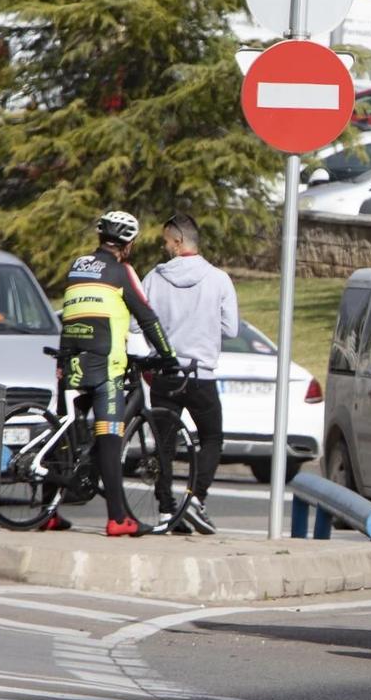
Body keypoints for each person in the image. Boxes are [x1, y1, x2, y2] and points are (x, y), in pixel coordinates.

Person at [58, 211, 176, 537]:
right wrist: (169, 355)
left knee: (64, 433)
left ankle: (47, 510)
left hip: (70, 356)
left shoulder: (77, 267)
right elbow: (147, 317)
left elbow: (70, 312)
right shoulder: (121, 271)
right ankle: (117, 517)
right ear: (129, 243)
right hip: (106, 362)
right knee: (110, 436)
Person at [143, 212, 238, 535]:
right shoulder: (218, 279)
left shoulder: (154, 278)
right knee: (211, 438)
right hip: (201, 375)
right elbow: (232, 328)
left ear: (179, 241)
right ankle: (196, 498)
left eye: (166, 241)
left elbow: (137, 322)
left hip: (165, 372)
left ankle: (167, 510)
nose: (164, 247)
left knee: (164, 445)